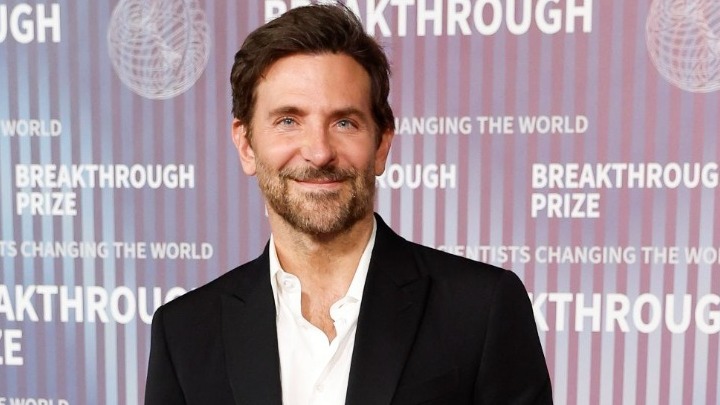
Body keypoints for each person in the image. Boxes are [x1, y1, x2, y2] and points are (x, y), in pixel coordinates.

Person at [144, 4, 552, 405]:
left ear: (381, 144)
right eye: (288, 121)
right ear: (246, 145)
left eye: (344, 122)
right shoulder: (185, 333)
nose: (319, 152)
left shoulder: (481, 310)